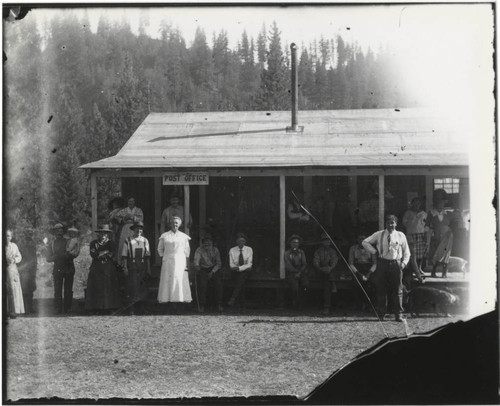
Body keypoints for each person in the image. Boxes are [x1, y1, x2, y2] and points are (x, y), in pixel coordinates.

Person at [362, 215, 410, 322]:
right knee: (381, 290)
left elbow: (407, 252)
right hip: (382, 264)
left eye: (392, 223)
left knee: (397, 290)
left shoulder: (400, 235)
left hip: (396, 264)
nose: (390, 225)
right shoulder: (379, 234)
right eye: (388, 223)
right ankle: (381, 314)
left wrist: (403, 263)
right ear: (386, 224)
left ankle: (398, 314)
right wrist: (374, 251)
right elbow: (365, 242)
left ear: (396, 224)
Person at [85, 224, 121, 313]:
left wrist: (100, 253)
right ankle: (96, 308)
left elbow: (111, 254)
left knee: (108, 286)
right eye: (101, 233)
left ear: (107, 234)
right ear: (98, 234)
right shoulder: (93, 243)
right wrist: (104, 252)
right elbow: (93, 254)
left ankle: (109, 307)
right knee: (96, 286)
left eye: (105, 234)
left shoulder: (111, 243)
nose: (103, 235)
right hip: (96, 267)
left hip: (108, 267)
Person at [157, 216, 192, 305]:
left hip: (180, 260)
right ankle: (167, 299)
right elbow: (160, 249)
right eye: (173, 222)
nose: (174, 224)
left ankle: (179, 300)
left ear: (180, 224)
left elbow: (187, 250)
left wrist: (186, 264)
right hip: (167, 261)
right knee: (167, 280)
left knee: (179, 279)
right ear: (170, 224)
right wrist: (164, 258)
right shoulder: (165, 235)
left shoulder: (184, 236)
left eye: (176, 223)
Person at [121, 221, 151, 315]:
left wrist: (148, 268)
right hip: (132, 265)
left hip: (142, 265)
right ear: (133, 229)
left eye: (141, 229)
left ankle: (142, 308)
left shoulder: (145, 240)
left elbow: (147, 256)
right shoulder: (128, 240)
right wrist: (125, 267)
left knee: (142, 287)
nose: (139, 230)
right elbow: (124, 255)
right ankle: (132, 309)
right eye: (137, 228)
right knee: (132, 287)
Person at [46, 223, 75, 314]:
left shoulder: (69, 241)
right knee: (57, 290)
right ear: (54, 232)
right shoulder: (51, 244)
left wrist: (67, 255)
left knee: (68, 289)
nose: (59, 232)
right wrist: (55, 257)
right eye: (57, 230)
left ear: (63, 231)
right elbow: (48, 258)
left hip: (68, 267)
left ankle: (68, 308)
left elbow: (74, 253)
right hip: (58, 268)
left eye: (61, 230)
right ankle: (58, 308)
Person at [193, 234, 223, 313]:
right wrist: (196, 266)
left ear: (212, 244)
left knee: (218, 284)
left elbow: (219, 263)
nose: (207, 245)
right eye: (205, 243)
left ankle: (219, 304)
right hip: (203, 269)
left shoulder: (215, 250)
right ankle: (202, 305)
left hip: (213, 269)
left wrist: (212, 272)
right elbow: (196, 260)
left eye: (209, 243)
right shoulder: (199, 250)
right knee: (202, 284)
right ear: (203, 244)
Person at [426, 197, 453, 278]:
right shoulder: (431, 213)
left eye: (442, 203)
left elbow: (451, 225)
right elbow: (427, 225)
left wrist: (449, 231)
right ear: (436, 204)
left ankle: (444, 273)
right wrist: (426, 234)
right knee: (435, 253)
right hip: (436, 236)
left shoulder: (447, 213)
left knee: (445, 253)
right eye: (439, 203)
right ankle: (433, 272)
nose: (441, 205)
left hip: (447, 236)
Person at [112, 197, 144, 266]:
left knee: (135, 243)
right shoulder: (124, 210)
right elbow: (116, 217)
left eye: (132, 201)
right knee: (124, 244)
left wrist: (133, 217)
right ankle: (123, 264)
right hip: (126, 228)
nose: (131, 203)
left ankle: (136, 262)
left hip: (135, 228)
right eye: (129, 201)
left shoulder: (138, 210)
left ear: (134, 202)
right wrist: (124, 218)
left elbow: (141, 218)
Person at [348, 233, 376, 311]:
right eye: (360, 239)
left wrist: (369, 273)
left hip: (368, 268)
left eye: (363, 238)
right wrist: (358, 274)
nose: (362, 240)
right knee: (356, 284)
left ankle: (369, 305)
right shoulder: (353, 248)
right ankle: (358, 305)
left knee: (371, 284)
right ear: (357, 239)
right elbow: (351, 263)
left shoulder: (371, 248)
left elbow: (375, 263)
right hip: (357, 268)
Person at [402, 197, 427, 285]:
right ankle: (414, 273)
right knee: (413, 255)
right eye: (415, 203)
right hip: (411, 235)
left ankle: (418, 269)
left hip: (420, 234)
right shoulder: (408, 213)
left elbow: (424, 224)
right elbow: (404, 222)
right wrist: (412, 225)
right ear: (412, 204)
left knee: (420, 254)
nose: (417, 205)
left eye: (418, 203)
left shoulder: (423, 213)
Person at [313, 233, 339, 315]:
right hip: (320, 271)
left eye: (328, 241)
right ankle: (333, 285)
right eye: (325, 241)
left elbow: (334, 262)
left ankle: (326, 307)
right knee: (329, 281)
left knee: (327, 284)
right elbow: (315, 262)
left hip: (330, 270)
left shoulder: (333, 251)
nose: (327, 243)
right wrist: (321, 268)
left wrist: (329, 268)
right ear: (322, 242)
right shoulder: (318, 251)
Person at [227, 233, 253, 309]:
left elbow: (249, 264)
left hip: (246, 272)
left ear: (245, 242)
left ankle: (233, 298)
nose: (241, 243)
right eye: (239, 241)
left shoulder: (249, 249)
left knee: (240, 280)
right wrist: (240, 268)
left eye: (243, 241)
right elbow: (231, 265)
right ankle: (242, 306)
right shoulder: (232, 250)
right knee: (241, 283)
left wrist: (239, 268)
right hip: (235, 272)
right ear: (236, 242)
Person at [284, 234, 309, 309]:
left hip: (301, 272)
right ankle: (295, 303)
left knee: (306, 284)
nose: (295, 244)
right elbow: (288, 265)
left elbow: (304, 264)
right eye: (293, 242)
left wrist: (299, 272)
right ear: (290, 244)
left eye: (297, 243)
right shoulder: (287, 253)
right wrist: (295, 272)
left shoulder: (301, 252)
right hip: (291, 272)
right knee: (295, 287)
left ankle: (303, 303)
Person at [5, 229, 25, 317]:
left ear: (11, 237)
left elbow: (19, 256)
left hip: (12, 270)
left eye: (8, 236)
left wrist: (14, 260)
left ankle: (13, 311)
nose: (6, 238)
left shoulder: (14, 246)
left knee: (14, 290)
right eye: (5, 236)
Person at [17, 230, 37, 314]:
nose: (29, 236)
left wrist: (35, 268)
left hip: (32, 270)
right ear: (25, 235)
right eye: (27, 234)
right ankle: (25, 308)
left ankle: (31, 307)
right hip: (24, 270)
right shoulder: (20, 245)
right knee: (24, 290)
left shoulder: (33, 245)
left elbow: (34, 257)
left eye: (30, 234)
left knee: (31, 289)